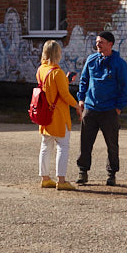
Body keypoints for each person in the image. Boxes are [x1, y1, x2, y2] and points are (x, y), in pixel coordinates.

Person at [76, 31, 127, 186]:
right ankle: (83, 172)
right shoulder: (91, 60)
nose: (97, 44)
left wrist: (118, 107)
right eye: (96, 42)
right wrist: (81, 98)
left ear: (110, 44)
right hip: (91, 108)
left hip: (109, 110)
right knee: (85, 143)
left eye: (101, 42)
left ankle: (111, 174)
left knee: (112, 144)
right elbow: (84, 79)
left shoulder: (119, 63)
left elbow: (126, 87)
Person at [36, 39, 81, 191]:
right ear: (57, 54)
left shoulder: (41, 70)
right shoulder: (58, 73)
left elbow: (50, 89)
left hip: (45, 114)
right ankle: (61, 180)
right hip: (59, 115)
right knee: (63, 146)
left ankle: (45, 178)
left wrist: (65, 81)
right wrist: (77, 106)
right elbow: (65, 95)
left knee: (45, 146)